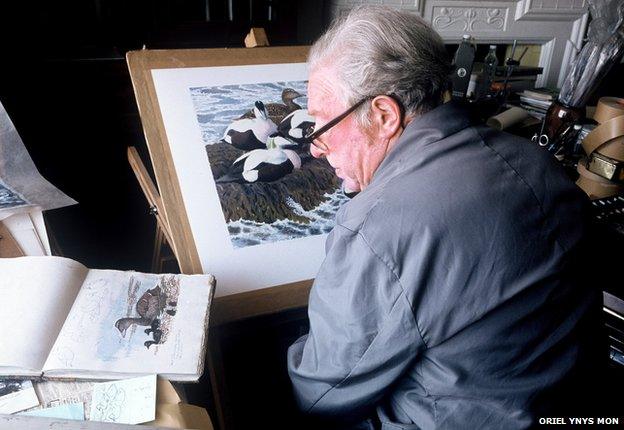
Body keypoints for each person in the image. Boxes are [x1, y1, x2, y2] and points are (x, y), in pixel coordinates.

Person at [287, 5, 599, 429]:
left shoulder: (378, 227)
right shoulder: (537, 162)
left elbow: (320, 394)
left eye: (322, 125)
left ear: (383, 115)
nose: (317, 149)